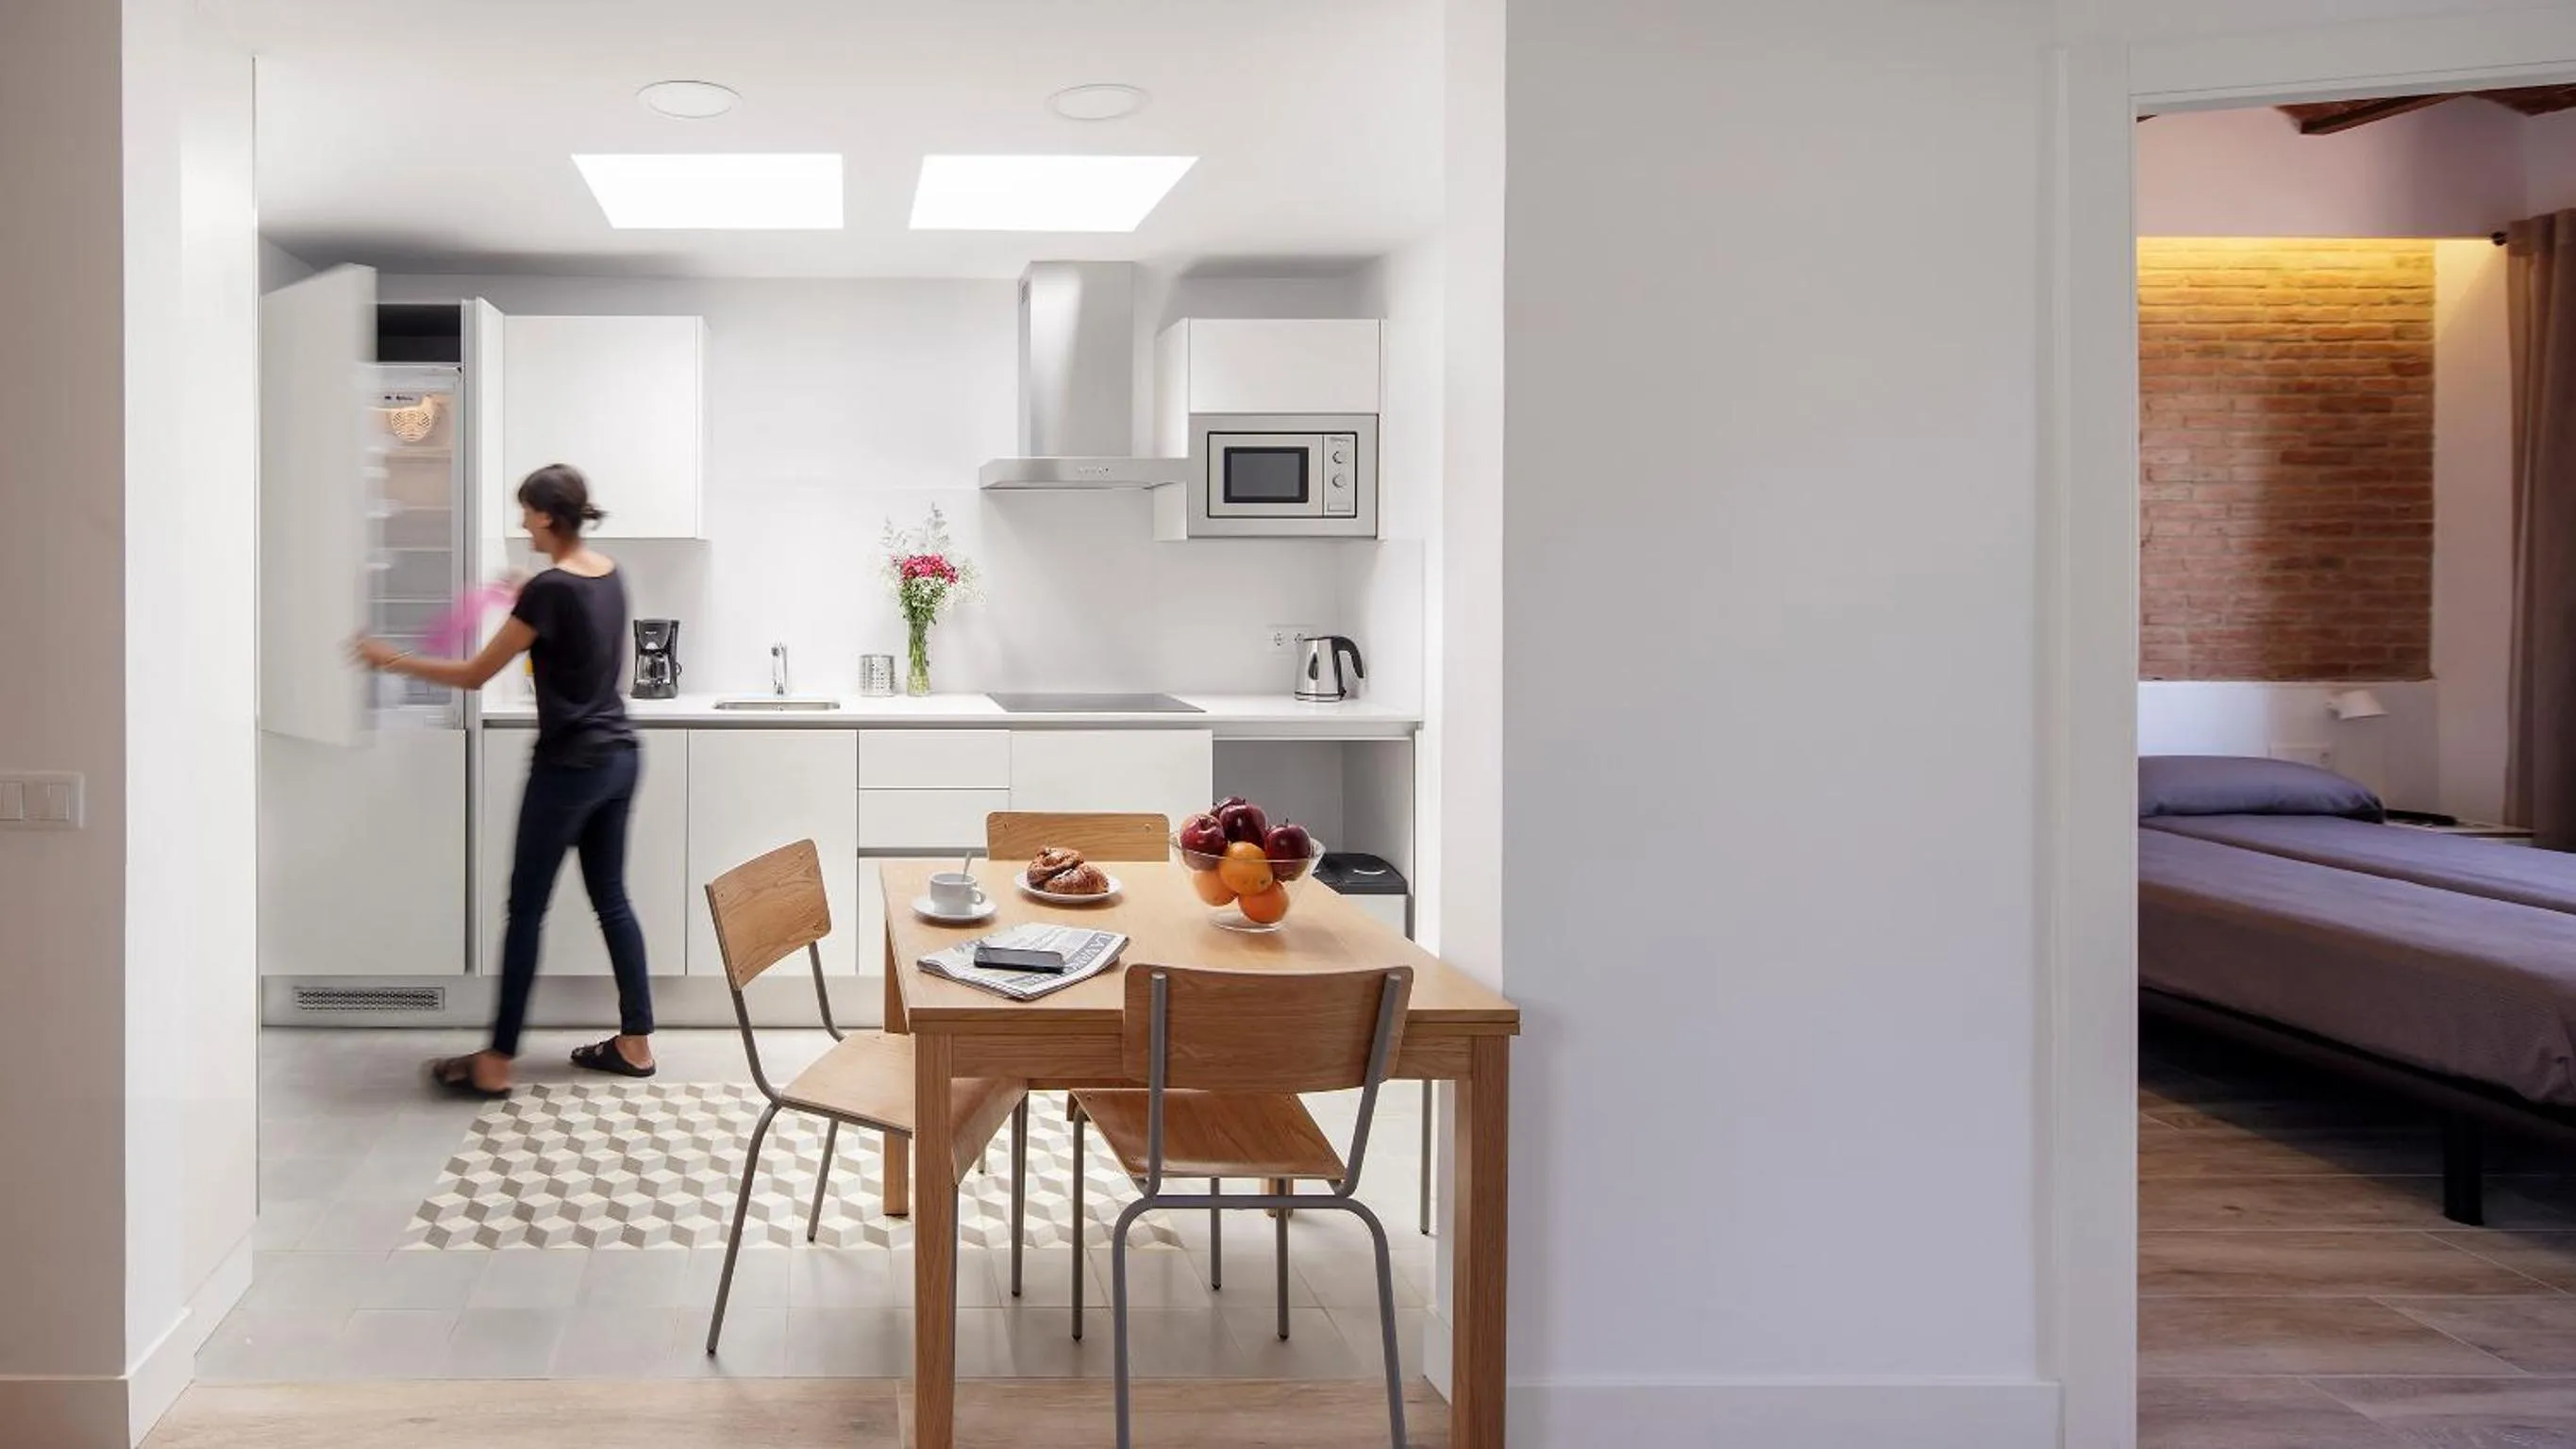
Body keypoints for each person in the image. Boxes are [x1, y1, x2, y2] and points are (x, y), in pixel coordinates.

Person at [355, 463, 655, 1097]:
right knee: (612, 899)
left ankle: (496, 1062)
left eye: (525, 512)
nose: (521, 522)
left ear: (547, 516)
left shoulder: (548, 590)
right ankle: (635, 1043)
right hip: (620, 759)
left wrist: (392, 658)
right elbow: (575, 626)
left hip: (569, 768)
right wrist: (528, 593)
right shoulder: (606, 573)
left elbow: (472, 674)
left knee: (525, 911)